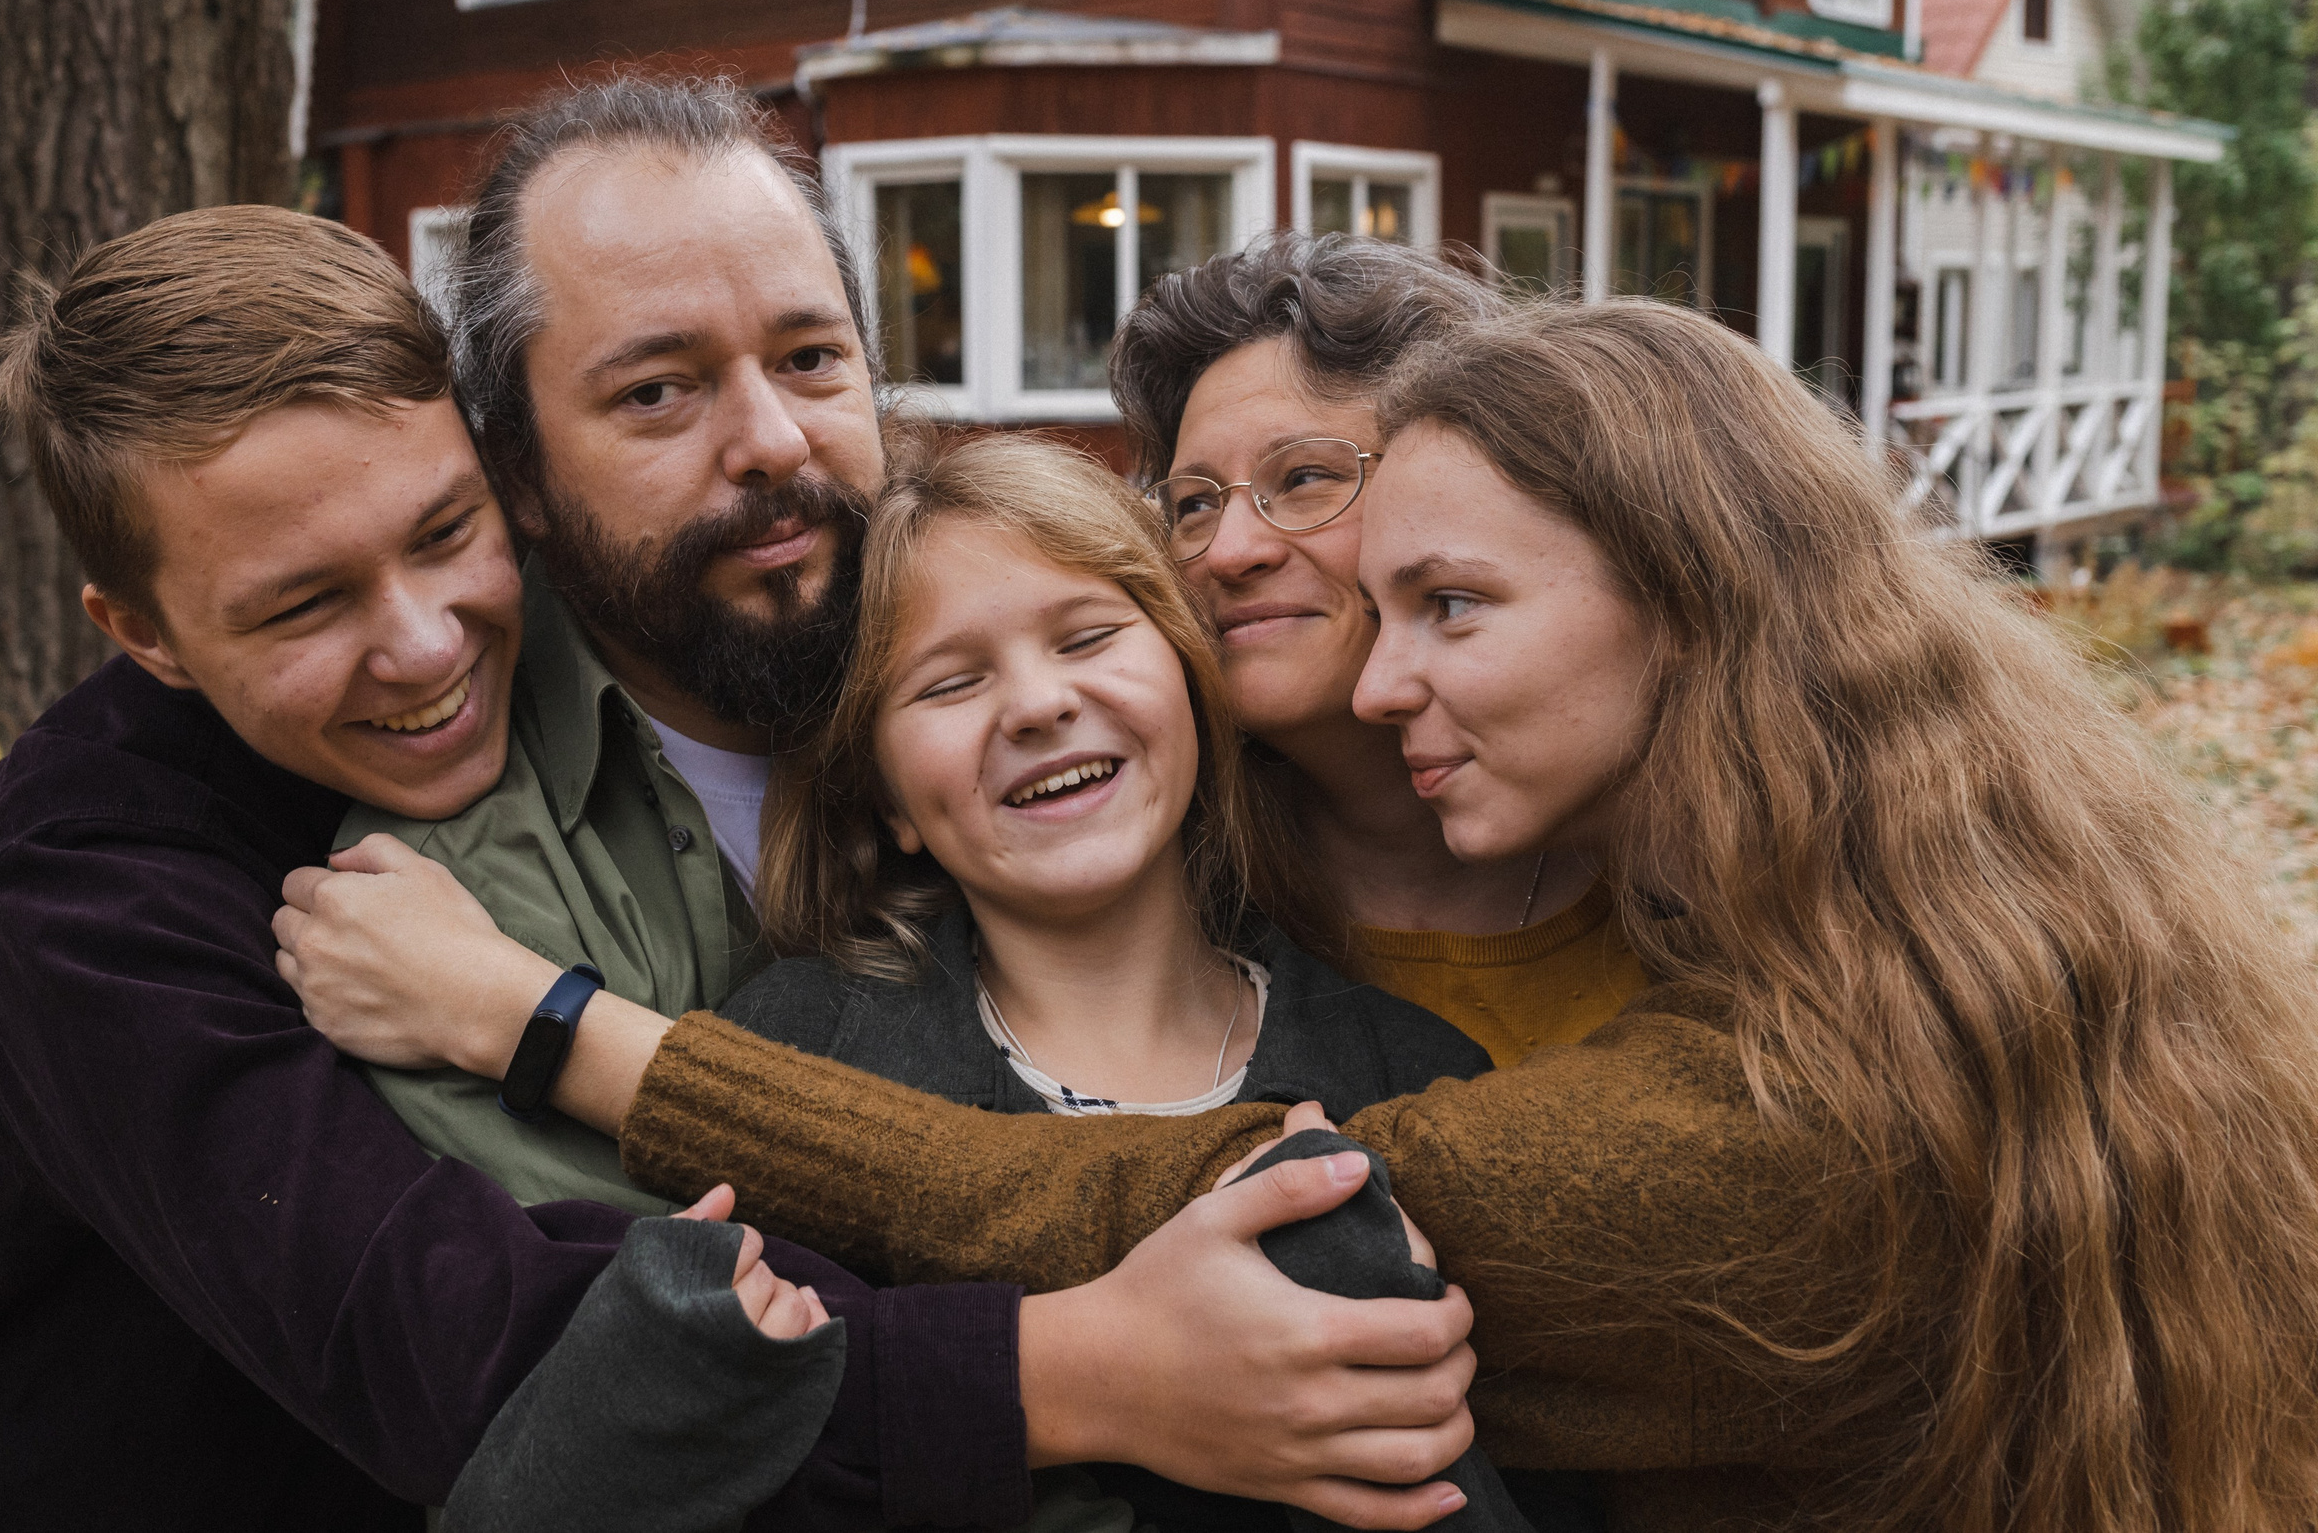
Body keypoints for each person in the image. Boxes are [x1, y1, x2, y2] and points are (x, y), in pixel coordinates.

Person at [283, 297, 2318, 1531]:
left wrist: (540, 1017)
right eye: (942, 678)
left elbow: (1168, 1202)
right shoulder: (1901, 919)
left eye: (1446, 609)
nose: (1368, 679)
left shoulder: (1641, 1089)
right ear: (876, 788)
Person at [0, 203, 1482, 1532]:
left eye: (449, 535)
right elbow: (467, 1350)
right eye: (300, 603)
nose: (426, 641)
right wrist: (1078, 1371)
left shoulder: (704, 649)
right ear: (140, 632)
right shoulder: (81, 885)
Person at [733, 432, 1528, 1531]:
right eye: (951, 681)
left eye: (1091, 636)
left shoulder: (1422, 1073)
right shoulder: (787, 1057)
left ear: (1191, 683)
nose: (1036, 705)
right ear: (889, 804)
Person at [1111, 236, 1646, 1068]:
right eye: (1193, 503)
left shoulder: (1685, 855)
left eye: (1304, 479)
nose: (1228, 550)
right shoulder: (1154, 878)